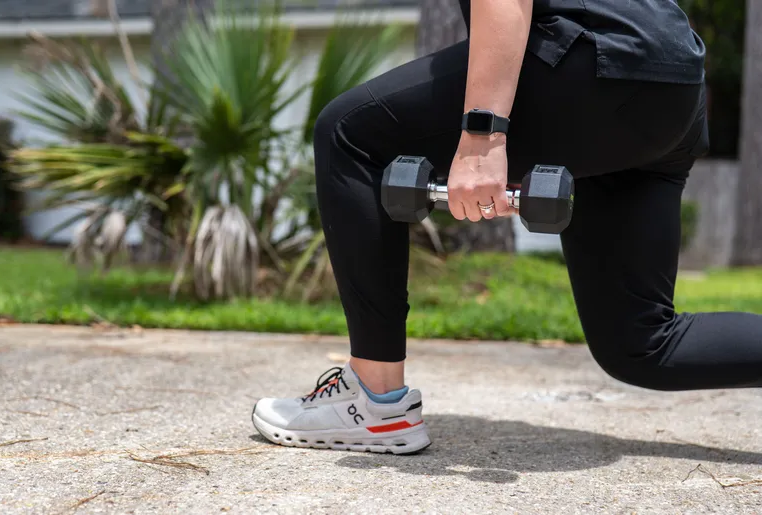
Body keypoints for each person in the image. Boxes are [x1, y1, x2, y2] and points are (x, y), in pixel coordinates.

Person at [252, 0, 761, 455]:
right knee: (642, 345)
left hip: (596, 56)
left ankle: (373, 399)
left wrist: (483, 135)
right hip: (670, 81)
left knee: (349, 134)